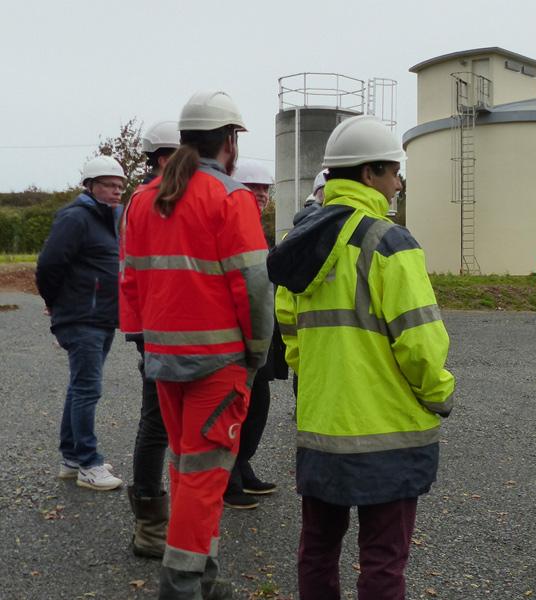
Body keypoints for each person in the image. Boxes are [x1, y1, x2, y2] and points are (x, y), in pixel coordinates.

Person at [269, 115, 454, 600]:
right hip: (387, 432)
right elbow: (420, 342)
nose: (399, 184)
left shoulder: (300, 243)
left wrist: (321, 380)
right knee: (383, 562)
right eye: (394, 172)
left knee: (317, 551)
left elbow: (291, 333)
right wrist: (440, 394)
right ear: (370, 174)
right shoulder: (389, 242)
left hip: (322, 426)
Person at [121, 89, 273, 598]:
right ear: (230, 140)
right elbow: (253, 287)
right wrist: (257, 352)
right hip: (219, 362)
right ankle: (182, 584)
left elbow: (132, 283)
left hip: (164, 360)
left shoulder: (140, 201)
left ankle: (201, 578)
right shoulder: (231, 199)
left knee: (187, 471)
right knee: (204, 479)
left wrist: (150, 345)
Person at [37, 155, 126, 491]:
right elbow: (49, 264)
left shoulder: (107, 218)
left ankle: (72, 458)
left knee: (79, 387)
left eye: (120, 186)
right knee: (88, 389)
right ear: (90, 186)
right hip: (82, 316)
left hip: (100, 316)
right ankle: (89, 463)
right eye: (109, 185)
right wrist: (53, 303)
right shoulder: (76, 217)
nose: (117, 191)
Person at [121, 120, 180, 558]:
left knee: (160, 422)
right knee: (157, 422)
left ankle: (156, 517)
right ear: (163, 158)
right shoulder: (151, 201)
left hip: (160, 327)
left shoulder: (149, 199)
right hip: (160, 329)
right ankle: (149, 523)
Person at [224, 160, 288, 510]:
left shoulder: (256, 229)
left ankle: (242, 464)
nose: (261, 194)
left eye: (265, 189)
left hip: (259, 334)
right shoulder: (233, 226)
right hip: (236, 338)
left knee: (257, 405)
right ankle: (227, 477)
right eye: (253, 188)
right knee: (235, 407)